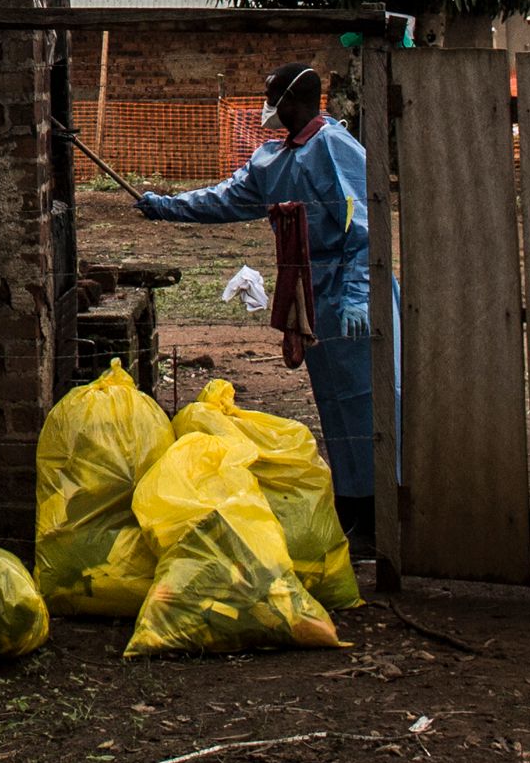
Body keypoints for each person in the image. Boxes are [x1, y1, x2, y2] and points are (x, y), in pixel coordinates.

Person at [133, 60, 381, 551]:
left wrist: (358, 292)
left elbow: (365, 221)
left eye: (272, 97)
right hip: (309, 292)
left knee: (367, 398)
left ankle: (382, 514)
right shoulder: (273, 160)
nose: (267, 107)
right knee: (333, 399)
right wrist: (168, 205)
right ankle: (353, 509)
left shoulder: (336, 147)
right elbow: (226, 198)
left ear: (295, 99)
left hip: (349, 291)